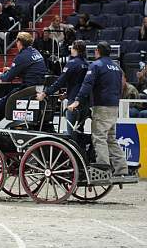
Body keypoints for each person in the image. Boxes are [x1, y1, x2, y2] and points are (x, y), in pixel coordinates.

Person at [68, 42, 130, 178]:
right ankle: (121, 168)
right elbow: (121, 87)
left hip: (101, 106)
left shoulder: (96, 65)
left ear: (97, 51)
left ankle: (103, 168)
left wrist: (77, 101)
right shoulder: (116, 67)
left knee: (99, 137)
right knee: (111, 138)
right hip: (114, 106)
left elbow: (87, 84)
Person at [0, 32, 47, 128]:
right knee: (6, 99)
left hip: (29, 89)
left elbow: (7, 78)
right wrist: (12, 70)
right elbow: (29, 70)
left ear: (19, 42)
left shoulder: (22, 56)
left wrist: (0, 75)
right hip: (38, 87)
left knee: (3, 102)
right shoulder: (36, 52)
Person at [37, 40, 89, 135]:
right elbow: (80, 83)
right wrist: (66, 94)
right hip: (85, 102)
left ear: (75, 49)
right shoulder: (87, 64)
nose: (71, 49)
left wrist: (45, 93)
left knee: (71, 132)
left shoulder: (72, 63)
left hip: (74, 101)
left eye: (72, 47)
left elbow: (60, 82)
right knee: (80, 130)